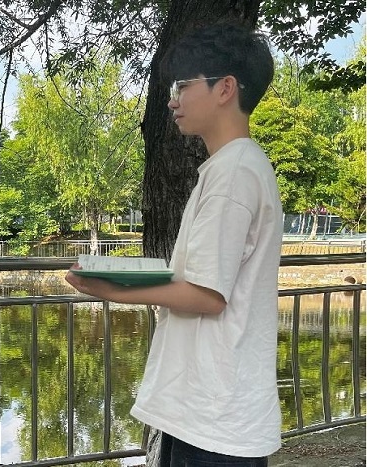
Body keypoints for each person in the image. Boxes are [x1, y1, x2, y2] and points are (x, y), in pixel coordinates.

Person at [66, 23, 281, 466]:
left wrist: (113, 290)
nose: (172, 100)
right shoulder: (235, 166)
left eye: (183, 86)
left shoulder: (233, 174)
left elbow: (207, 295)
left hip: (215, 419)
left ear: (225, 88)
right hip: (213, 410)